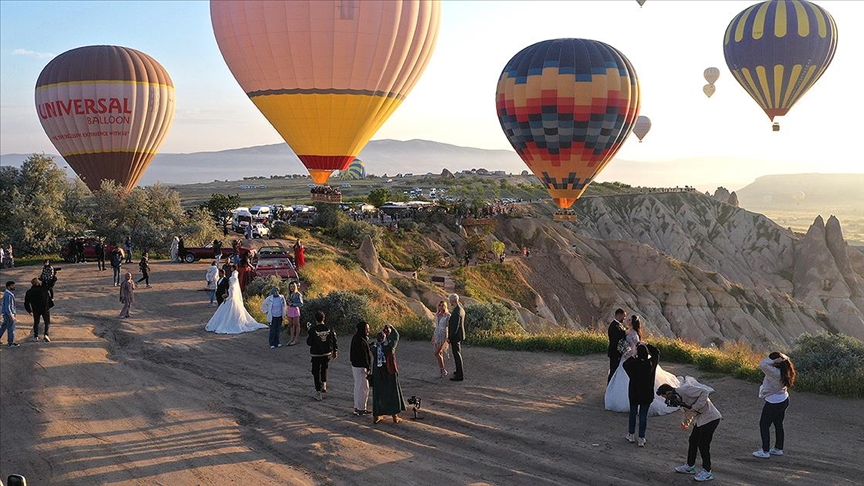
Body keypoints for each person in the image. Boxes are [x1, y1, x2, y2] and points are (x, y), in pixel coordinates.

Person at [606, 316, 679, 416]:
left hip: (630, 356)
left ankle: (632, 400)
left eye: (629, 320)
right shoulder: (627, 330)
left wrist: (628, 354)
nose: (627, 320)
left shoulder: (634, 334)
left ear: (633, 323)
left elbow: (635, 347)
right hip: (625, 356)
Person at [658, 379, 722, 482]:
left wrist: (695, 407)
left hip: (711, 418)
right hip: (701, 420)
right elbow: (687, 412)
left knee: (703, 445)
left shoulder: (685, 390)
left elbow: (704, 392)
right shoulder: (678, 399)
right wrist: (685, 422)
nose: (666, 399)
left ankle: (707, 471)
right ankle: (690, 466)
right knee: (693, 441)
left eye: (664, 396)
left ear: (668, 392)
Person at [753, 352, 796, 458]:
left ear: (776, 362)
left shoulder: (774, 372)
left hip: (774, 402)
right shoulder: (786, 368)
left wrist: (773, 360)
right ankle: (778, 448)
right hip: (783, 399)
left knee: (764, 425)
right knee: (778, 424)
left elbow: (762, 364)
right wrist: (782, 358)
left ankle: (765, 451)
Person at [623, 343, 660, 446]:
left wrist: (633, 354)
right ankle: (641, 438)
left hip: (634, 393)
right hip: (646, 393)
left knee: (633, 413)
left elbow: (625, 364)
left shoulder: (633, 364)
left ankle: (631, 435)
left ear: (638, 354)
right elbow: (657, 353)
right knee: (643, 415)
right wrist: (647, 345)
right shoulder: (651, 364)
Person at [370, 325, 406, 423]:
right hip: (390, 372)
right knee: (392, 393)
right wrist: (390, 327)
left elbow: (372, 345)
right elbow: (396, 336)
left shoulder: (374, 348)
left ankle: (377, 415)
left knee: (378, 394)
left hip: (378, 373)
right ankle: (395, 416)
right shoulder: (389, 347)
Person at [307, 310, 338, 401]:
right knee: (324, 368)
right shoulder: (329, 328)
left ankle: (318, 392)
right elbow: (334, 339)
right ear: (323, 318)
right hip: (327, 353)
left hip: (316, 354)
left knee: (316, 372)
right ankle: (324, 384)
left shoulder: (313, 330)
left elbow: (309, 342)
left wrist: (309, 333)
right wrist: (335, 350)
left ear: (316, 319)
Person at [350, 320, 373, 416]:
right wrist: (368, 367)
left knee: (358, 387)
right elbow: (363, 356)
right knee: (363, 388)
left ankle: (358, 407)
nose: (368, 330)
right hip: (361, 367)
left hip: (357, 366)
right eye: (366, 329)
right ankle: (361, 409)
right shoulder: (360, 340)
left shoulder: (357, 338)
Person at [25, 277, 55, 342]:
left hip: (35, 310)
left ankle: (36, 336)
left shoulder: (29, 292)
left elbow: (26, 302)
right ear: (38, 283)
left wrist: (29, 311)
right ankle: (46, 335)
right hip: (45, 308)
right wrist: (53, 276)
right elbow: (51, 284)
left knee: (36, 322)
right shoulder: (43, 289)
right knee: (47, 322)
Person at [447, 293, 466, 381]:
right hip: (460, 335)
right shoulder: (461, 309)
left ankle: (459, 375)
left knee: (457, 355)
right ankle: (458, 371)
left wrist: (449, 338)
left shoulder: (456, 312)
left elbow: (454, 326)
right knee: (458, 354)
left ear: (452, 301)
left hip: (456, 337)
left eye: (450, 300)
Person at [608, 308, 627, 383]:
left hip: (617, 352)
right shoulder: (614, 326)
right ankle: (610, 386)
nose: (624, 318)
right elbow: (617, 340)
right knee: (613, 370)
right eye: (624, 316)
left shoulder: (618, 325)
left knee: (616, 370)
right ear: (620, 315)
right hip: (615, 352)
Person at [432, 300, 450, 378]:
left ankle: (443, 370)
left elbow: (449, 326)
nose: (441, 307)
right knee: (439, 353)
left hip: (443, 335)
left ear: (445, 307)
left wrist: (448, 338)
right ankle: (442, 370)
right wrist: (433, 336)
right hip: (437, 334)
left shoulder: (447, 315)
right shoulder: (437, 315)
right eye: (439, 305)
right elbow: (436, 326)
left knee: (436, 353)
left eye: (442, 305)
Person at [1, 281, 18, 347]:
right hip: (8, 314)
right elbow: (7, 306)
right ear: (9, 286)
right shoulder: (8, 295)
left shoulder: (7, 294)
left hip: (6, 314)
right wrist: (11, 315)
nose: (14, 287)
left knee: (3, 327)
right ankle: (11, 343)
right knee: (11, 328)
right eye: (12, 286)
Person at [286, 281, 303, 345]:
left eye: (293, 286)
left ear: (295, 287)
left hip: (295, 309)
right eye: (290, 286)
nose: (292, 288)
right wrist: (288, 302)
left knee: (296, 324)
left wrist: (293, 304)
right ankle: (291, 338)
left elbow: (301, 304)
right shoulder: (289, 294)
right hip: (290, 310)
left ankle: (296, 339)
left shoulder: (298, 294)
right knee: (291, 325)